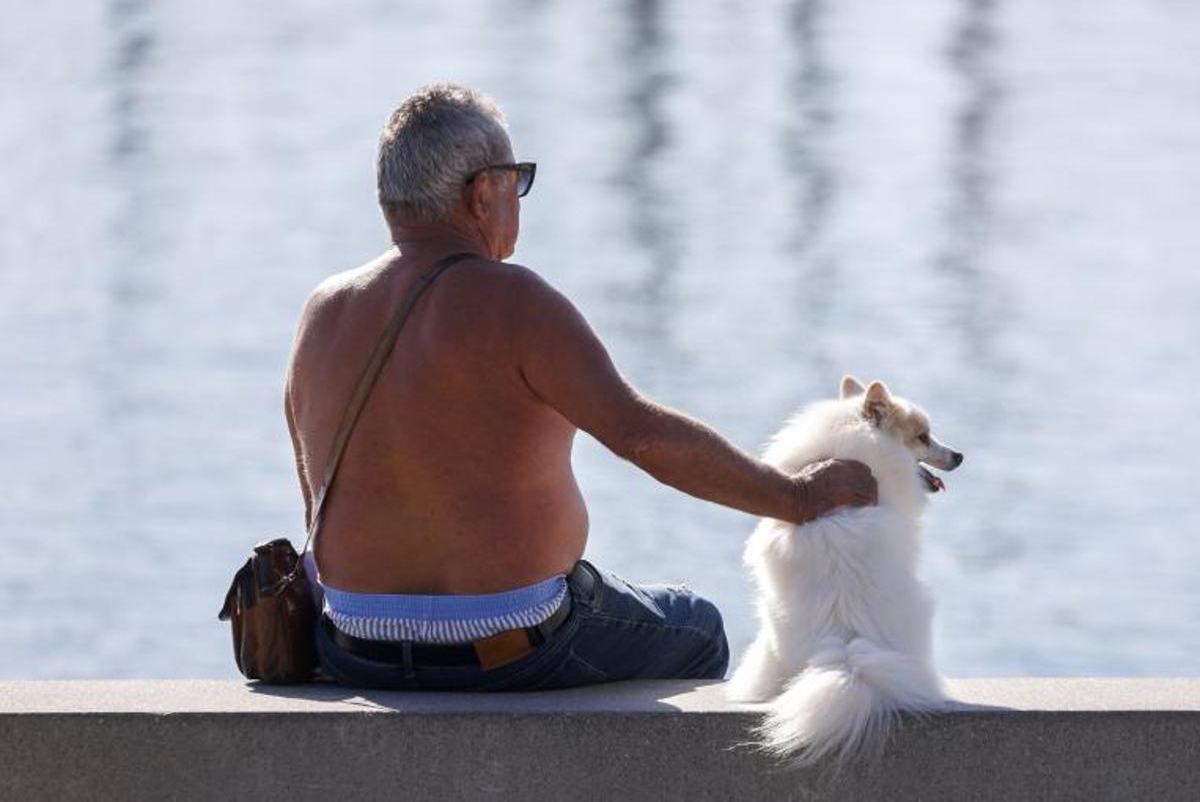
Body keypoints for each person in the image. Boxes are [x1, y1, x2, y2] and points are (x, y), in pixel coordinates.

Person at [283, 83, 878, 691]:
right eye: (516, 179)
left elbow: (316, 497)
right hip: (509, 641)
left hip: (354, 641)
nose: (518, 197)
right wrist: (798, 498)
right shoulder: (516, 301)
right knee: (699, 629)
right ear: (482, 193)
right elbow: (643, 436)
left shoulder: (323, 311)